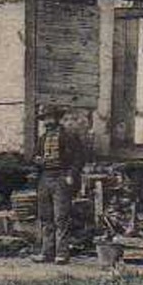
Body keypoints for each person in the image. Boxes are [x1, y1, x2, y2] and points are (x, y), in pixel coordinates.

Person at [33, 105, 85, 264]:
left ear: (57, 119)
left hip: (61, 178)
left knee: (61, 217)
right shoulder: (42, 138)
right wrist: (38, 161)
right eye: (45, 118)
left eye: (50, 117)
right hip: (45, 178)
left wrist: (71, 175)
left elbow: (79, 158)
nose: (48, 121)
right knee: (45, 216)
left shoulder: (68, 136)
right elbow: (34, 157)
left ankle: (61, 254)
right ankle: (46, 252)